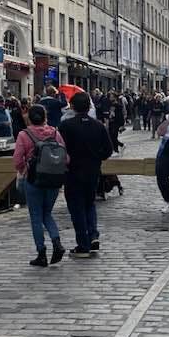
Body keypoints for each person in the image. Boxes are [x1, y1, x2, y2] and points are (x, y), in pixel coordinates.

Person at [59, 92, 113, 257]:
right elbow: (108, 150)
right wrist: (97, 158)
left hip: (73, 172)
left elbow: (59, 148)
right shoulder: (98, 126)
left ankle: (83, 244)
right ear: (89, 107)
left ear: (73, 107)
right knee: (89, 204)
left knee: (76, 208)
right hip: (92, 171)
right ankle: (93, 236)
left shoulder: (66, 126)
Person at [13, 104, 68, 267]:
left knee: (36, 216)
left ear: (29, 117)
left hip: (34, 180)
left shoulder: (24, 134)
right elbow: (66, 157)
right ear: (45, 117)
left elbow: (17, 159)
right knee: (47, 213)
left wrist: (25, 170)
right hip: (53, 181)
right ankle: (56, 242)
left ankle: (41, 253)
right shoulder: (55, 133)